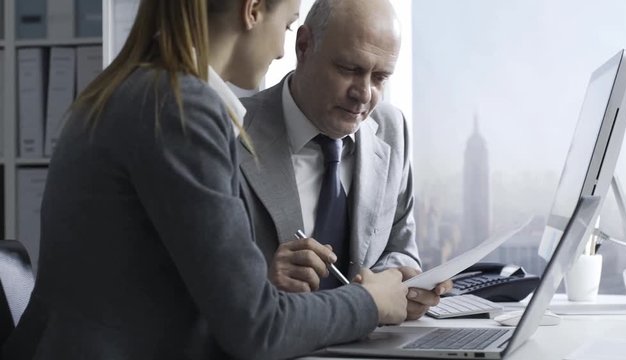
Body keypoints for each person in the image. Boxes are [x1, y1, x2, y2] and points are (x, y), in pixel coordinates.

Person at [3, 1, 411, 359]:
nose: (281, 51)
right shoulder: (181, 107)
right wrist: (370, 302)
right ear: (252, 10)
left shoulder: (133, 89)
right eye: (286, 27)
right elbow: (259, 329)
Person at [238, 0, 452, 320]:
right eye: (350, 69)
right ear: (304, 45)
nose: (364, 94)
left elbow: (399, 246)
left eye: (380, 78)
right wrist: (262, 284)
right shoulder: (232, 129)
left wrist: (399, 279)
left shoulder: (393, 129)